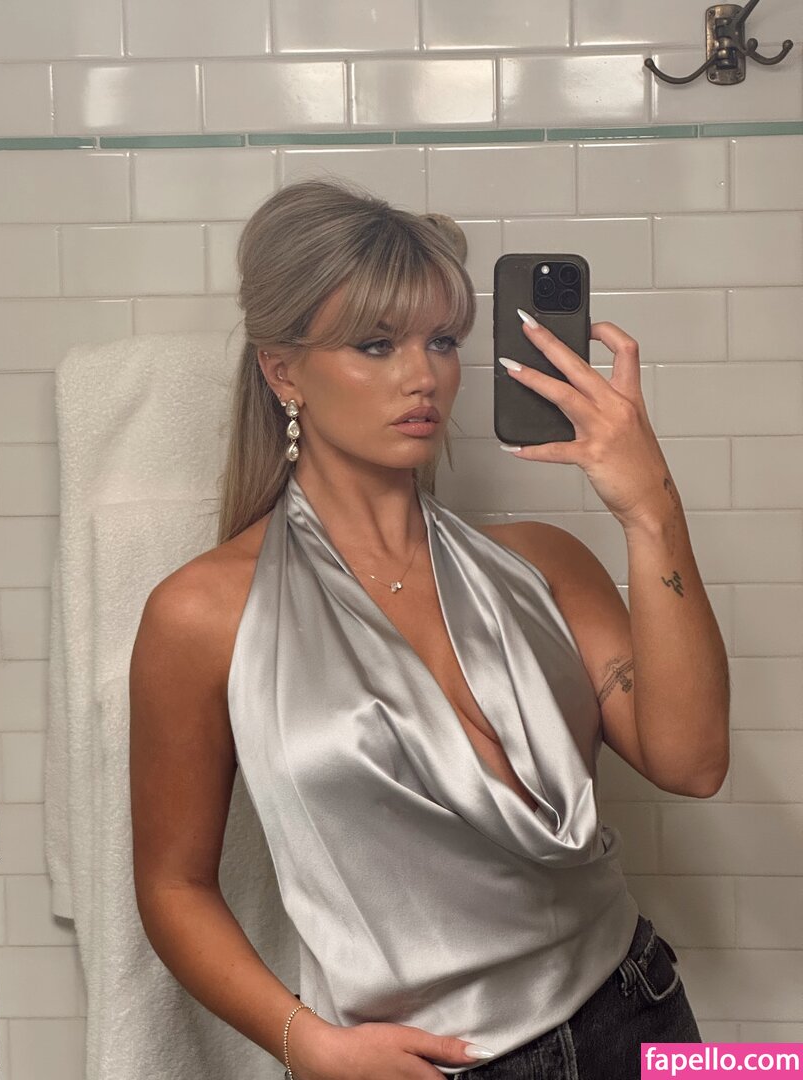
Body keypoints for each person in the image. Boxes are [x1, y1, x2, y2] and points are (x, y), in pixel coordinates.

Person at [129, 179, 729, 1080]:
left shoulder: (544, 566)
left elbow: (694, 762)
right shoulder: (203, 615)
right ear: (283, 372)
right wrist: (309, 1045)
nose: (424, 377)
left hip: (637, 1020)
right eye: (377, 345)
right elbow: (172, 886)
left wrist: (651, 508)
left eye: (442, 341)